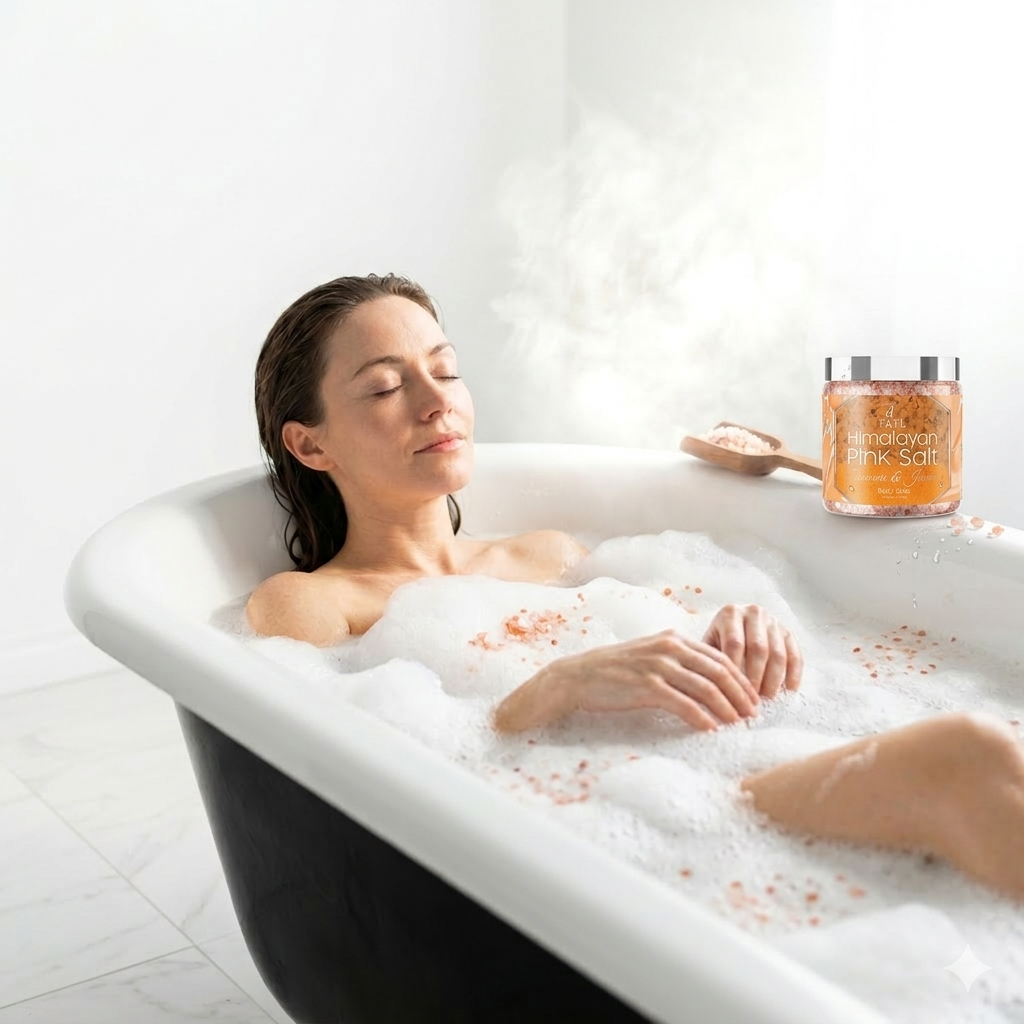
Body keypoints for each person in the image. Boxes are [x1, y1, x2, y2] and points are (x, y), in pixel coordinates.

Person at [246, 273, 1024, 903]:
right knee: (967, 755)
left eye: (445, 369)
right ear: (310, 443)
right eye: (385, 387)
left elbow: (655, 649)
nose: (436, 398)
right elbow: (365, 777)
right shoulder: (312, 604)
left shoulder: (552, 554)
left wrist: (742, 631)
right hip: (593, 841)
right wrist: (545, 692)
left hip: (702, 788)